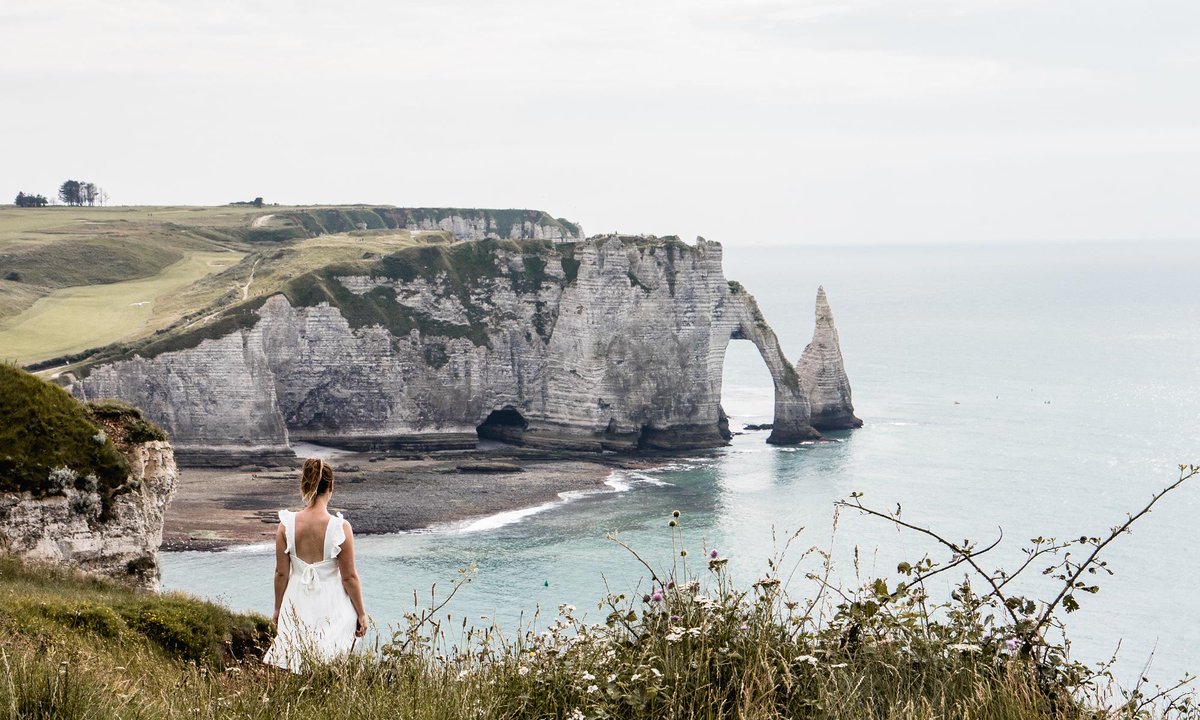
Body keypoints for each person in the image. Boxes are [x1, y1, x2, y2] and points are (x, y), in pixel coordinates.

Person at [263, 458, 367, 671]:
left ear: (305, 484)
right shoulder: (340, 527)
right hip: (332, 603)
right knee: (332, 663)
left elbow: (281, 573)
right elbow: (349, 577)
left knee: (295, 659)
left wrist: (277, 608)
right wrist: (362, 613)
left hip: (296, 600)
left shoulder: (286, 526)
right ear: (331, 486)